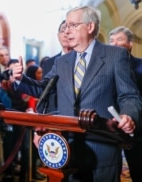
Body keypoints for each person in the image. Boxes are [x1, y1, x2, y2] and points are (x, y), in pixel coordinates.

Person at [10, 5, 142, 182]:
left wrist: (128, 115)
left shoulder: (115, 55)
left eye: (72, 25)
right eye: (65, 26)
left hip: (102, 148)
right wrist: (20, 78)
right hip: (69, 149)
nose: (66, 31)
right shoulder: (61, 62)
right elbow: (43, 88)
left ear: (90, 26)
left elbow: (129, 95)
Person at [109, 26, 142, 182]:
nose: (114, 44)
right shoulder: (105, 68)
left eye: (119, 39)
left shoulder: (140, 65)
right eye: (111, 41)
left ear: (130, 44)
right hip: (111, 128)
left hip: (137, 128)